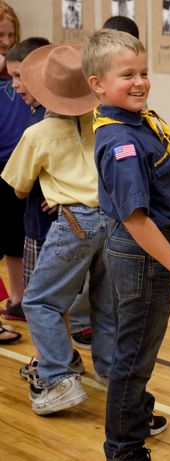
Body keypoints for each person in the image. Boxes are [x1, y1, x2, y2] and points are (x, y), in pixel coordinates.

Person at [81, 29, 170, 460]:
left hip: (149, 250)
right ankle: (124, 448)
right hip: (145, 254)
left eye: (143, 72)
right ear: (97, 84)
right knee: (134, 356)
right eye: (127, 75)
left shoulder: (137, 123)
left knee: (137, 346)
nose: (139, 82)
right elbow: (136, 219)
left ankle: (135, 418)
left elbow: (160, 176)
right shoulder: (119, 141)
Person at [1, 43, 115, 414]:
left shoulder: (36, 134)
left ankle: (56, 378)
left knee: (39, 301)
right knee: (104, 303)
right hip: (112, 220)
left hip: (73, 223)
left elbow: (18, 188)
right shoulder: (104, 121)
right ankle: (113, 374)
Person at [4, 37, 91, 383]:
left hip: (50, 226)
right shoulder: (83, 118)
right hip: (67, 222)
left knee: (41, 301)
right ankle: (60, 356)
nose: (13, 85)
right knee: (57, 301)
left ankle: (51, 365)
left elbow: (18, 186)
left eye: (18, 76)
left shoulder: (41, 128)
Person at [0, 1, 28, 322]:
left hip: (18, 163)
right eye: (0, 36)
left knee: (16, 236)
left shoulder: (20, 70)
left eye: (11, 35)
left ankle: (18, 298)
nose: (6, 42)